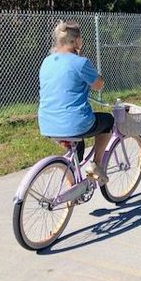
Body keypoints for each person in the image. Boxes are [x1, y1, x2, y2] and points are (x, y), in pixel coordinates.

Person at [38, 20, 113, 185]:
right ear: (77, 41)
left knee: (76, 147)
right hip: (76, 122)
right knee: (108, 121)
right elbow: (99, 85)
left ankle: (72, 186)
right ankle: (97, 165)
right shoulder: (80, 62)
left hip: (47, 122)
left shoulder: (46, 62)